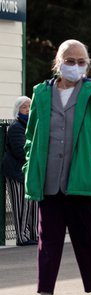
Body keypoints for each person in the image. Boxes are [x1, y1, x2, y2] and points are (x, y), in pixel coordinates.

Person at [23, 40, 91, 295]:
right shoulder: (41, 93)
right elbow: (31, 137)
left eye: (80, 61)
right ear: (58, 62)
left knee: (87, 239)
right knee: (48, 241)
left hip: (82, 182)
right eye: (69, 60)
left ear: (87, 65)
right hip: (49, 182)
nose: (75, 66)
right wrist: (31, 165)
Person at [2, 96, 38, 246]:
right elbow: (20, 151)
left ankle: (33, 235)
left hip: (30, 172)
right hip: (17, 172)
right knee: (21, 206)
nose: (28, 110)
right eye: (24, 107)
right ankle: (22, 237)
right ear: (18, 110)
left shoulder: (33, 125)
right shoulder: (17, 126)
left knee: (32, 205)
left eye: (30, 106)